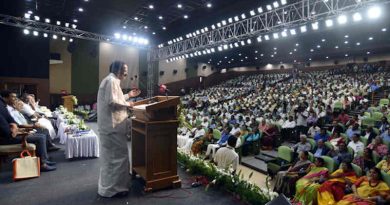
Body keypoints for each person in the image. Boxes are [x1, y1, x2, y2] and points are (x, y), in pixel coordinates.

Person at [97, 61, 141, 198]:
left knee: (112, 158)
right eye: (125, 70)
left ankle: (112, 186)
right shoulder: (112, 81)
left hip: (110, 128)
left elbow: (116, 98)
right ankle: (115, 189)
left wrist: (129, 95)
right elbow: (113, 102)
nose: (127, 73)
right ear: (118, 70)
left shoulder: (111, 80)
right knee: (117, 158)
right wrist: (129, 104)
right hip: (112, 128)